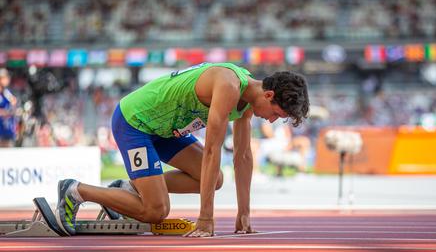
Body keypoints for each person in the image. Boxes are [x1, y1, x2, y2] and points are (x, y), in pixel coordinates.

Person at [55, 62, 309, 237]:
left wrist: (244, 213)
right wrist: (206, 218)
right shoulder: (229, 85)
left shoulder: (249, 101)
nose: (273, 121)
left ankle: (129, 190)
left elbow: (243, 156)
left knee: (216, 179)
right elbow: (212, 151)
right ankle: (76, 191)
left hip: (165, 131)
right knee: (155, 211)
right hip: (135, 122)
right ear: (268, 95)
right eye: (277, 114)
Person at [0, 69, 17, 147]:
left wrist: (13, 108)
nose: (7, 80)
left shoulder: (7, 92)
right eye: (5, 78)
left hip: (7, 127)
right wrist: (5, 112)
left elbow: (13, 104)